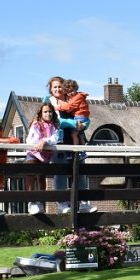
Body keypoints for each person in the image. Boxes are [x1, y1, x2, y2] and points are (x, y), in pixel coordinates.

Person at [45, 76, 96, 214]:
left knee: (80, 171)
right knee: (60, 173)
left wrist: (85, 124)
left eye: (60, 86)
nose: (57, 89)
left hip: (76, 139)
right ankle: (62, 204)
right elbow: (54, 121)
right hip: (60, 141)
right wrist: (74, 124)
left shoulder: (72, 98)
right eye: (54, 87)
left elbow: (83, 114)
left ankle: (83, 202)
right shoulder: (49, 101)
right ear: (50, 89)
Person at [24, 102, 61, 215]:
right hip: (33, 153)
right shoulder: (36, 125)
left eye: (50, 112)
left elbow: (55, 138)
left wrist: (45, 141)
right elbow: (29, 140)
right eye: (45, 112)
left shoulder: (54, 126)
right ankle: (31, 202)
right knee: (30, 175)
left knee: (41, 178)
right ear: (41, 113)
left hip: (45, 155)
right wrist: (39, 142)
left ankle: (40, 202)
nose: (48, 114)